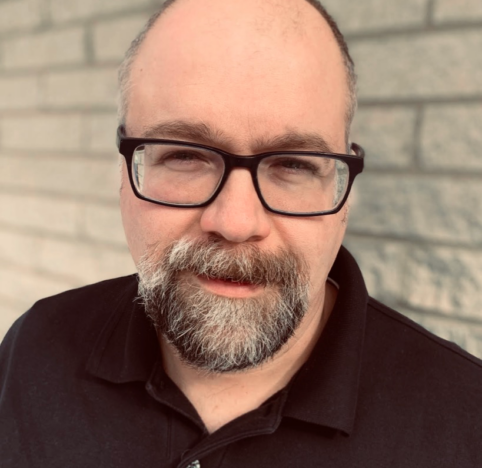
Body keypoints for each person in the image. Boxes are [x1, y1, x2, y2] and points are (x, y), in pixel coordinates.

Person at [1, 0, 481, 466]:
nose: (235, 223)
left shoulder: (465, 424)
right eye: (184, 155)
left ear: (345, 190)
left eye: (293, 164)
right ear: (124, 173)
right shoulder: (34, 348)